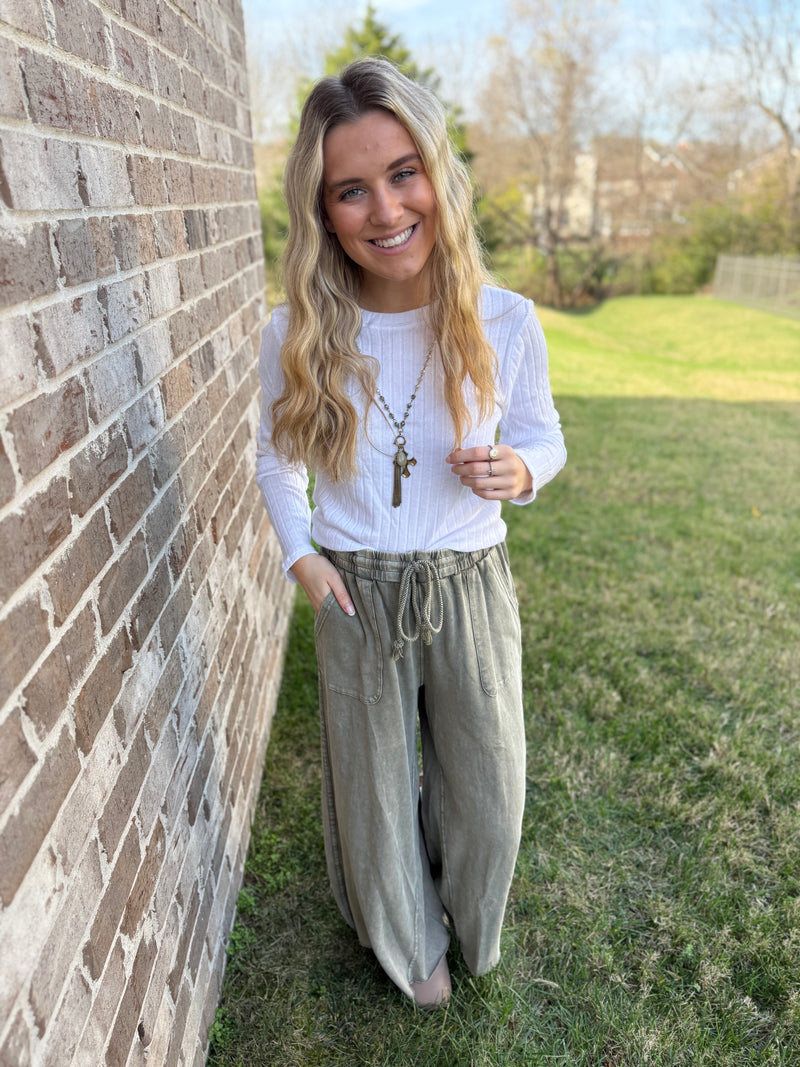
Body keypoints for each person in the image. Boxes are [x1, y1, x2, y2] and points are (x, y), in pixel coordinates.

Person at [255, 57, 566, 1008]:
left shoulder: (503, 319)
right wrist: (304, 560)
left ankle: (465, 915)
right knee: (377, 790)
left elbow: (544, 437)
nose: (385, 209)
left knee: (489, 787)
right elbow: (277, 461)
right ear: (323, 210)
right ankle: (406, 939)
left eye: (403, 173)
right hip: (356, 583)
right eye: (351, 189)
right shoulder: (301, 330)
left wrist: (521, 472)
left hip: (469, 580)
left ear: (437, 171)